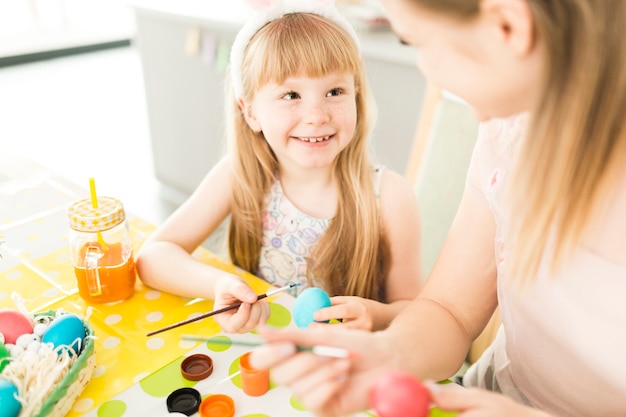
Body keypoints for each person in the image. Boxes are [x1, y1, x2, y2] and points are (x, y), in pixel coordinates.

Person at [249, 0, 626, 416]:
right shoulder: (508, 132)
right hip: (487, 395)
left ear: (508, 27)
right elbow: (450, 311)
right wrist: (388, 352)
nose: (424, 68)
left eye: (418, 41)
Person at [136, 0, 423, 334]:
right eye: (291, 95)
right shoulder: (240, 175)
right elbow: (153, 257)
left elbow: (415, 312)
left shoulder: (388, 196)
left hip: (348, 369)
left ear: (356, 95)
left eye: (334, 91)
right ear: (251, 112)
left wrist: (376, 315)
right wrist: (219, 284)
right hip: (265, 358)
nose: (317, 115)